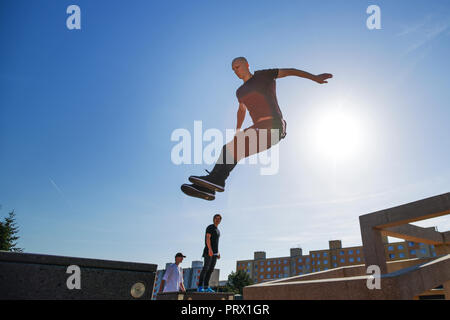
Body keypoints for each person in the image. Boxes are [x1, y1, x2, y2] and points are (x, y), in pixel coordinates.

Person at [181, 57, 333, 200]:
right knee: (228, 149)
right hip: (258, 128)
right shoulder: (240, 91)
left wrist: (314, 77)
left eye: (238, 67)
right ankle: (210, 187)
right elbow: (241, 110)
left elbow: (290, 71)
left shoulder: (263, 76)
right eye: (233, 69)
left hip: (274, 126)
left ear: (247, 65)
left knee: (234, 148)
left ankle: (216, 181)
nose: (236, 71)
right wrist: (238, 130)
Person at [198, 214, 221, 292]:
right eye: (216, 218)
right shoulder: (210, 227)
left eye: (219, 219)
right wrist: (209, 249)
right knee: (205, 268)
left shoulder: (218, 230)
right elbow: (208, 238)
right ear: (213, 219)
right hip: (208, 252)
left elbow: (216, 242)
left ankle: (206, 287)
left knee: (210, 270)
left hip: (215, 253)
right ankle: (200, 287)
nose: (217, 220)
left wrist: (218, 252)